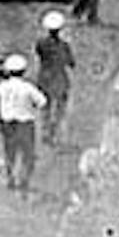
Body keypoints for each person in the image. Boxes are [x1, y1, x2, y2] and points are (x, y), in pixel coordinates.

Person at [0, 55, 46, 192]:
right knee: (27, 153)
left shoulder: (3, 87)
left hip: (7, 123)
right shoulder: (28, 88)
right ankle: (24, 180)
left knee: (10, 152)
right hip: (24, 123)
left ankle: (10, 178)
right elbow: (42, 102)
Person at [34, 13, 75, 143]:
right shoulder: (64, 46)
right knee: (60, 108)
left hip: (45, 78)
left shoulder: (41, 43)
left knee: (45, 107)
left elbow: (39, 54)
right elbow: (71, 63)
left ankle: (45, 132)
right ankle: (54, 131)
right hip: (60, 79)